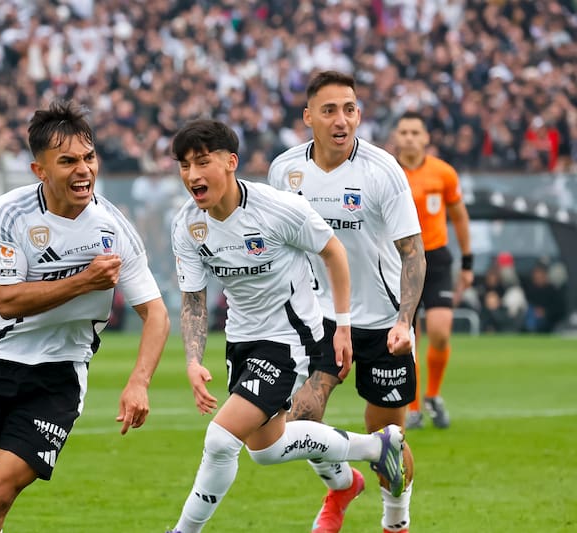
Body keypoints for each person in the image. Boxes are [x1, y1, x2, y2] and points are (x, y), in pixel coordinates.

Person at [0, 100, 170, 533]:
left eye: (89, 157)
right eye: (68, 161)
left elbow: (155, 313)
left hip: (58, 375)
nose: (84, 170)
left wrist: (139, 382)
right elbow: (7, 301)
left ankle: (3, 473)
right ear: (40, 170)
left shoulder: (114, 228)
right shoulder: (7, 212)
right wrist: (85, 280)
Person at [167, 119, 405, 533]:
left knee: (222, 439)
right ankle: (372, 451)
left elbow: (334, 252)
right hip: (241, 340)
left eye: (202, 162)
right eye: (185, 166)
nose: (192, 175)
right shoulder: (188, 225)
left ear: (230, 162)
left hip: (290, 339)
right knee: (264, 448)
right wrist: (193, 360)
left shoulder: (278, 208)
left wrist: (343, 327)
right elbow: (193, 299)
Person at [268, 71, 425, 533]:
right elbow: (280, 247)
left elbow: (412, 253)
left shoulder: (382, 170)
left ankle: (395, 520)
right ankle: (342, 484)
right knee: (298, 420)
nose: (342, 119)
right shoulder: (285, 170)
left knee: (388, 441)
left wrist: (404, 321)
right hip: (318, 319)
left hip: (381, 325)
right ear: (308, 118)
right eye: (331, 110)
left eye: (350, 108)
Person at [393, 110, 474, 430]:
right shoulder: (387, 172)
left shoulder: (444, 173)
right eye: (404, 132)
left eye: (415, 132)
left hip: (437, 258)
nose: (410, 137)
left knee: (440, 333)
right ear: (396, 138)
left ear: (426, 138)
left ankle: (433, 396)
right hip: (399, 260)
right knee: (406, 337)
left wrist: (468, 262)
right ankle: (412, 407)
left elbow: (460, 216)